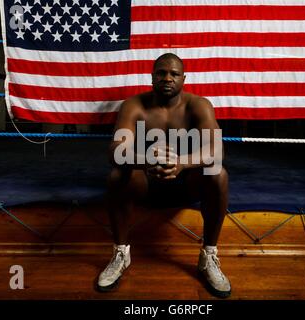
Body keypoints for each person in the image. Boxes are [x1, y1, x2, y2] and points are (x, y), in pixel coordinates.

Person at [96, 53, 231, 298]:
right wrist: (148, 160)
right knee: (117, 175)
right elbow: (115, 151)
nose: (167, 78)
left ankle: (208, 256)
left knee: (218, 173)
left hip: (185, 183)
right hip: (146, 183)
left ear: (183, 78)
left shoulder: (198, 105)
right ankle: (121, 254)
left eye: (174, 73)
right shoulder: (134, 105)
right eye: (161, 73)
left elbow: (218, 148)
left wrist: (181, 163)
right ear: (152, 77)